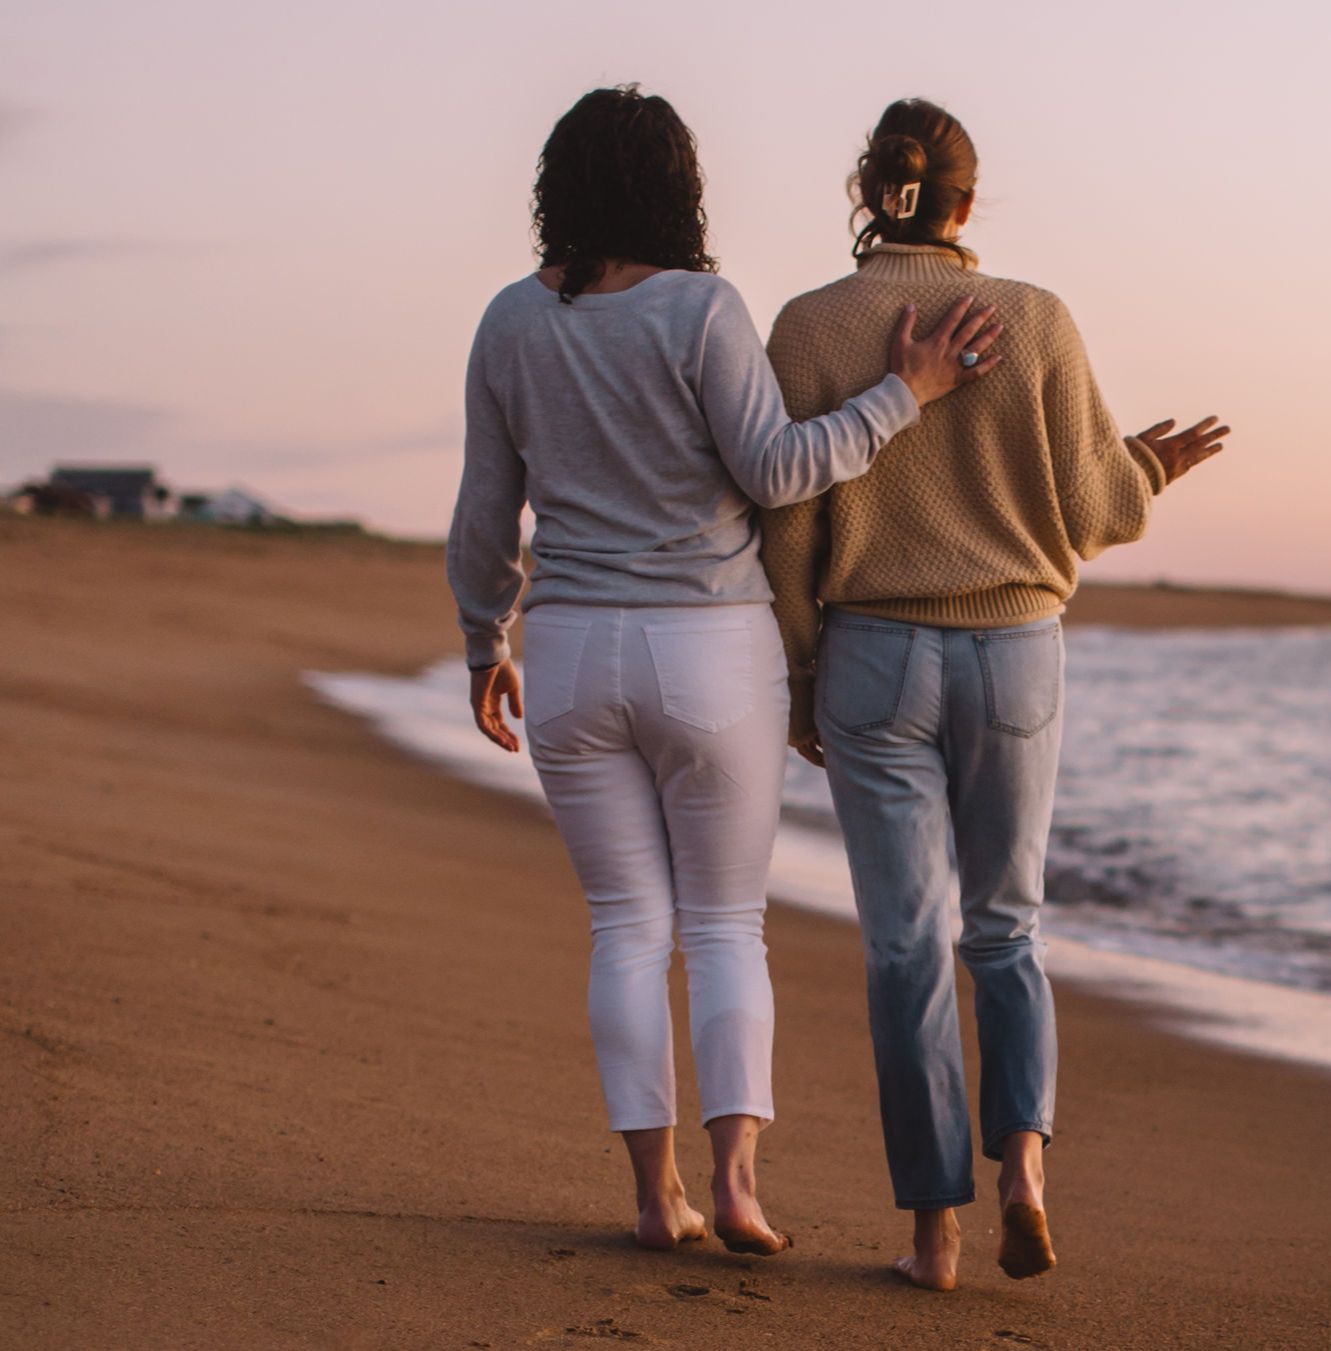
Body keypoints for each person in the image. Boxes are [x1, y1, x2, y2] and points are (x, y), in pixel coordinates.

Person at [444, 85, 999, 1256]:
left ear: (562, 187)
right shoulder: (703, 310)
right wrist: (907, 393)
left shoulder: (509, 320)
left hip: (575, 652)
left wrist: (485, 639)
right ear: (676, 188)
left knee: (624, 926)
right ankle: (738, 1184)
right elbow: (778, 470)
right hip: (709, 648)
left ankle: (657, 1198)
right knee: (726, 925)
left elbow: (486, 514)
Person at [757, 97, 1230, 1290]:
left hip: (871, 652)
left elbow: (787, 527)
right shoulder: (1039, 317)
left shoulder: (811, 326)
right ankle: (1022, 1166)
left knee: (905, 947)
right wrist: (1151, 471)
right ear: (970, 202)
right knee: (1006, 927)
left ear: (871, 193)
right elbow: (1097, 508)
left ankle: (934, 1233)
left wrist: (805, 672)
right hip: (1017, 645)